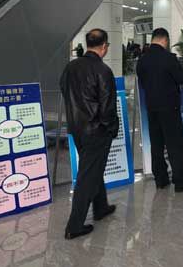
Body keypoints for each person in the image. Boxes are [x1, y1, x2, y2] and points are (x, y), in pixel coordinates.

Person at [60, 28, 119, 239]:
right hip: (97, 131)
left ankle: (101, 207)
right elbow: (107, 107)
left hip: (77, 128)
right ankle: (74, 226)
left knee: (92, 167)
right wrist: (111, 128)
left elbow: (65, 91)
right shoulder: (103, 71)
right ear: (104, 46)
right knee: (87, 176)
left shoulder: (70, 67)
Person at [136, 28, 183, 192]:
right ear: (165, 40)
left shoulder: (142, 60)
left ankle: (161, 180)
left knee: (156, 144)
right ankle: (180, 182)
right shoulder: (169, 58)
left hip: (151, 107)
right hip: (169, 107)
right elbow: (181, 78)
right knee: (175, 144)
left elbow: (142, 81)